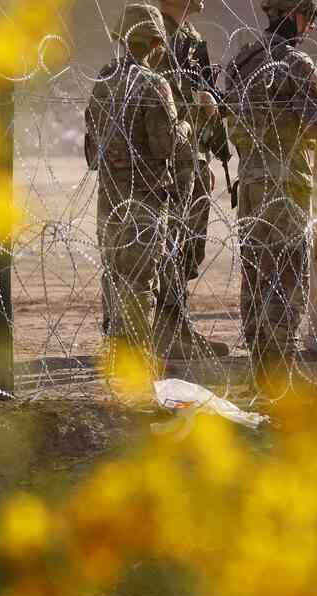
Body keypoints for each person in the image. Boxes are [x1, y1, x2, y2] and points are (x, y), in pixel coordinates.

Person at [224, 0, 317, 379]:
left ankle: (261, 370)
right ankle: (278, 377)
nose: (310, 27)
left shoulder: (243, 63)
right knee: (286, 276)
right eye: (310, 17)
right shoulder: (297, 65)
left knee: (255, 277)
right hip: (287, 184)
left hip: (252, 182)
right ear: (297, 16)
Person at [85, 4, 190, 358]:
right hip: (144, 201)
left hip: (110, 198)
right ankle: (134, 364)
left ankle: (116, 357)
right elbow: (165, 145)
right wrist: (188, 127)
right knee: (141, 282)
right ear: (156, 44)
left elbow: (92, 145)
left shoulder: (104, 78)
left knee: (114, 280)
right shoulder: (154, 84)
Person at [153, 0, 233, 359]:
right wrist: (195, 99)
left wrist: (211, 144)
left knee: (188, 244)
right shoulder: (156, 34)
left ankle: (175, 324)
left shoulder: (191, 37)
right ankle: (168, 330)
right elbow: (152, 90)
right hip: (170, 153)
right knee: (171, 241)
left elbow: (202, 90)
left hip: (193, 153)